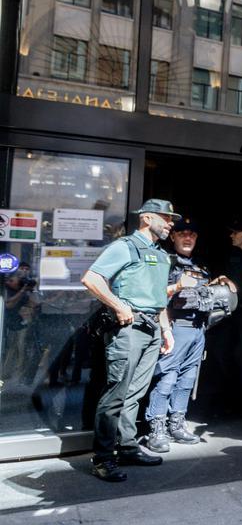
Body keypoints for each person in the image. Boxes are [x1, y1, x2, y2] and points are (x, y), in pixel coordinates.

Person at [80, 198, 180, 482]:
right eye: (166, 218)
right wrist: (118, 306)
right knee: (116, 394)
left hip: (152, 328)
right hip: (129, 328)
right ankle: (102, 458)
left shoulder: (161, 254)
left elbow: (159, 297)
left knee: (135, 393)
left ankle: (127, 447)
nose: (170, 224)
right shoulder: (126, 246)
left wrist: (166, 330)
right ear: (147, 218)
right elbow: (92, 279)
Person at [145, 218, 236, 452]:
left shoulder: (200, 266)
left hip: (197, 329)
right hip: (175, 326)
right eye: (182, 233)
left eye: (192, 234)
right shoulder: (165, 262)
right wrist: (165, 328)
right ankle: (156, 429)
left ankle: (176, 424)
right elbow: (154, 295)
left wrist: (220, 281)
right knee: (166, 378)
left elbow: (203, 291)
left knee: (187, 380)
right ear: (173, 236)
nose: (187, 238)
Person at [210, 218, 242, 417]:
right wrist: (223, 277)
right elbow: (218, 274)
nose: (231, 235)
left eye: (235, 232)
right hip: (228, 313)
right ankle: (226, 403)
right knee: (222, 353)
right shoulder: (230, 253)